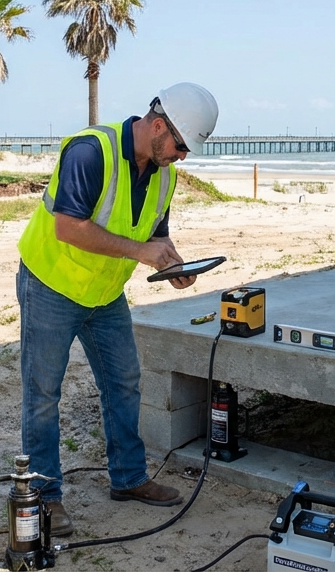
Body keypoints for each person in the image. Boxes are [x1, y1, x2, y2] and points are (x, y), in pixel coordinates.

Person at [16, 82, 219, 536]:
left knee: (124, 381)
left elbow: (156, 238)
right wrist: (140, 251)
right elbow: (68, 228)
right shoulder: (91, 151)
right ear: (159, 125)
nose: (182, 157)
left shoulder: (165, 173)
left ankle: (128, 479)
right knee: (44, 395)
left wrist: (171, 263)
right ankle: (45, 498)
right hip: (51, 284)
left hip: (104, 293)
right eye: (181, 146)